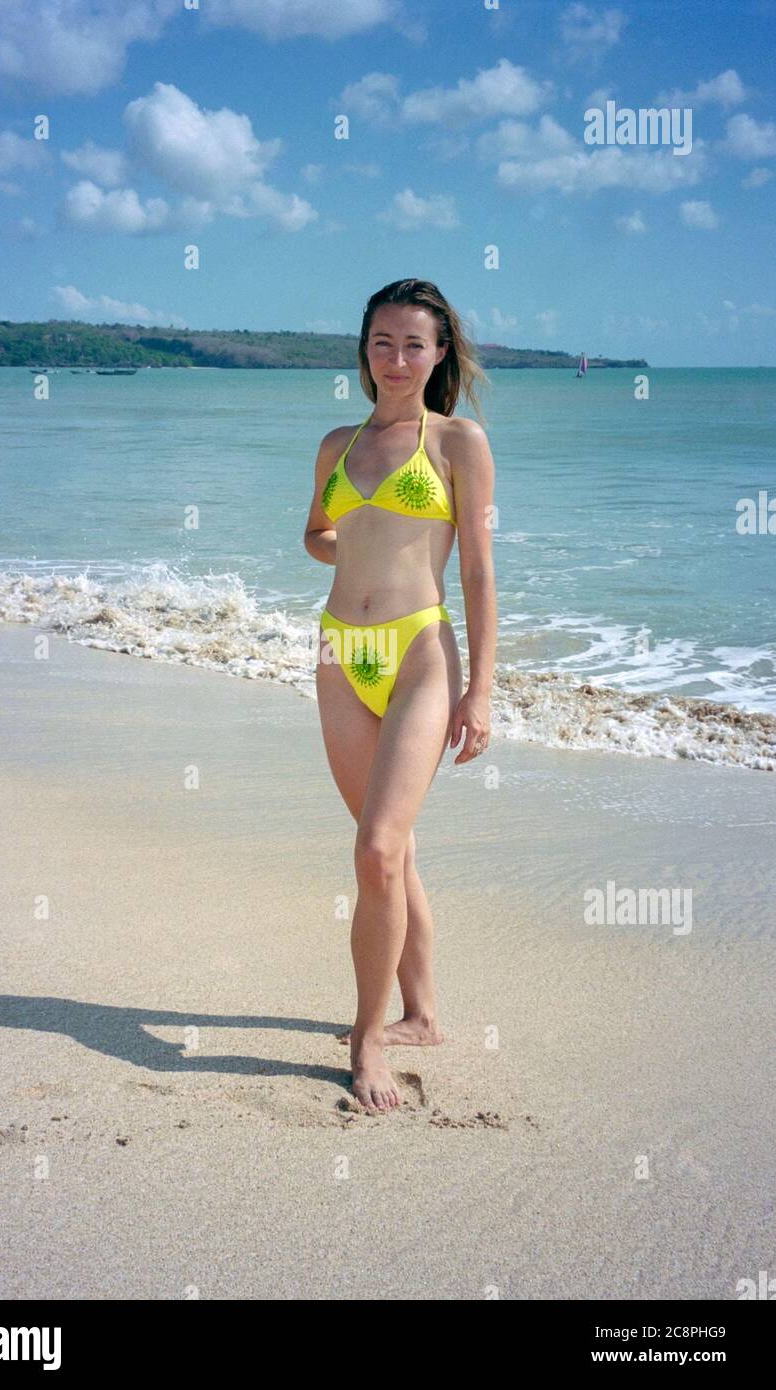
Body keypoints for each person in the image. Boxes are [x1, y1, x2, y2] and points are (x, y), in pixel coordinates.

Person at [303, 278, 496, 1113]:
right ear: (364, 349)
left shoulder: (458, 442)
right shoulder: (338, 444)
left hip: (419, 654)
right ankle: (421, 1013)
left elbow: (481, 573)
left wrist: (481, 690)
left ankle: (368, 1038)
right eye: (382, 342)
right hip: (339, 653)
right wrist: (348, 553)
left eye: (414, 343)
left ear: (441, 352)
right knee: (391, 847)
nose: (396, 358)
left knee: (379, 849)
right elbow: (315, 531)